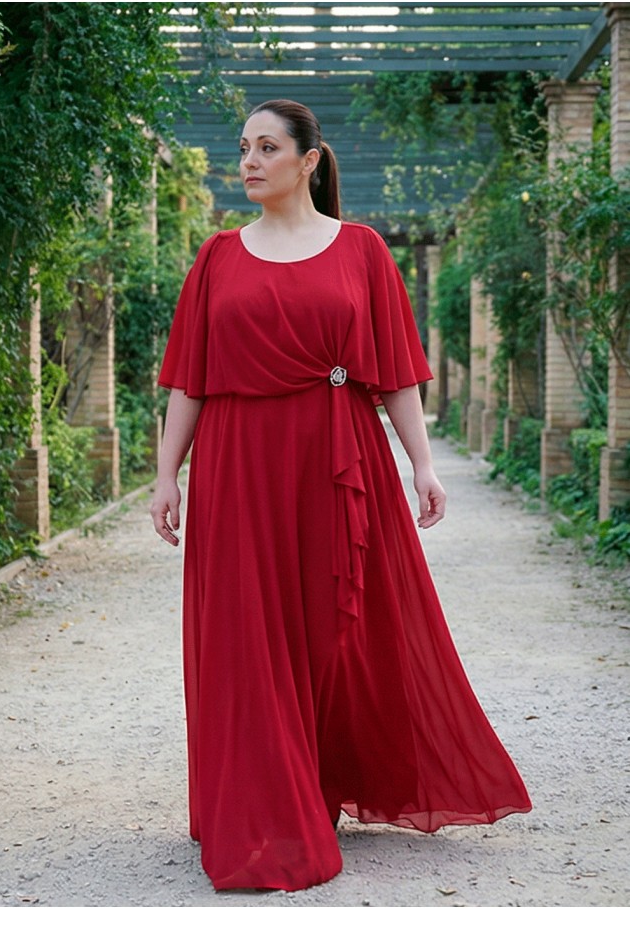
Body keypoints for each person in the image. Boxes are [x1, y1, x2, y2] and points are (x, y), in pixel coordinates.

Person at [150, 98, 531, 892]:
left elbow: (395, 371)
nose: (249, 161)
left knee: (334, 632)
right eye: (243, 147)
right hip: (238, 467)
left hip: (336, 458)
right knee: (248, 637)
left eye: (267, 147)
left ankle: (322, 781)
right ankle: (265, 806)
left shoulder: (361, 250)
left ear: (309, 160)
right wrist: (165, 475)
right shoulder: (217, 256)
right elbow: (189, 379)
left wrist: (423, 465)